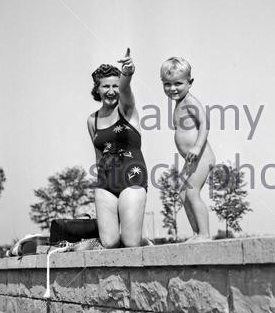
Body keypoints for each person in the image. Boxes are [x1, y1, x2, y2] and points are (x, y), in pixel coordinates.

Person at [87, 49, 147, 248]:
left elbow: (126, 90)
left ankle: (142, 241)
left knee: (130, 243)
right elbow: (98, 155)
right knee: (110, 243)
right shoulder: (92, 120)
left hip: (132, 178)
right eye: (106, 86)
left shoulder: (127, 109)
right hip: (106, 182)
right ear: (97, 89)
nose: (112, 90)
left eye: (115, 85)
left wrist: (127, 74)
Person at [160, 57, 215, 242]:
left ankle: (205, 234)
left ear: (190, 83)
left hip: (202, 155)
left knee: (192, 193)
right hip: (192, 159)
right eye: (167, 84)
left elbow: (205, 123)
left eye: (178, 83)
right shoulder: (178, 103)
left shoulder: (190, 101)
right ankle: (196, 233)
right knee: (183, 193)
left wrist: (198, 146)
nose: (172, 88)